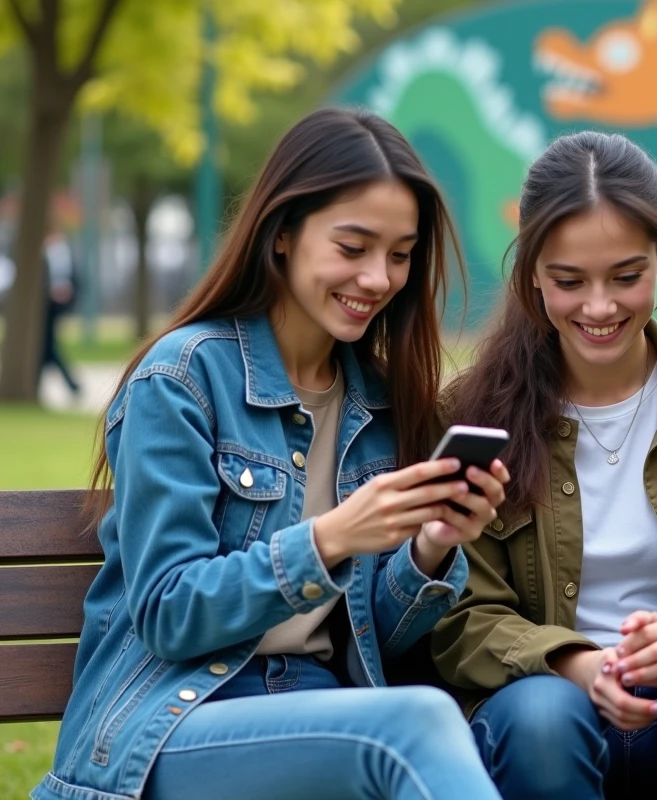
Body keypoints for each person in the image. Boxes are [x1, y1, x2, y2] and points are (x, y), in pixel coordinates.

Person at [34, 108, 508, 800]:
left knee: (426, 724)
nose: (378, 278)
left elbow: (378, 636)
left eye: (400, 254)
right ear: (283, 234)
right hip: (170, 726)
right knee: (414, 726)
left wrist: (431, 546)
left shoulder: (378, 399)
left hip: (313, 711)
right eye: (353, 248)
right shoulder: (184, 377)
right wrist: (329, 539)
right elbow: (170, 611)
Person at [431, 131, 657, 800]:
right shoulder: (472, 416)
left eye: (626, 277)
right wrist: (577, 664)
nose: (599, 308)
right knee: (543, 717)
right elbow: (462, 616)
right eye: (569, 281)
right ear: (533, 274)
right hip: (544, 714)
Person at [41, 227, 82, 396]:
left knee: (47, 347)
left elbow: (72, 279)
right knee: (47, 347)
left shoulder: (59, 252)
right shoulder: (51, 252)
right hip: (47, 306)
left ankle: (71, 384)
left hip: (53, 306)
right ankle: (71, 384)